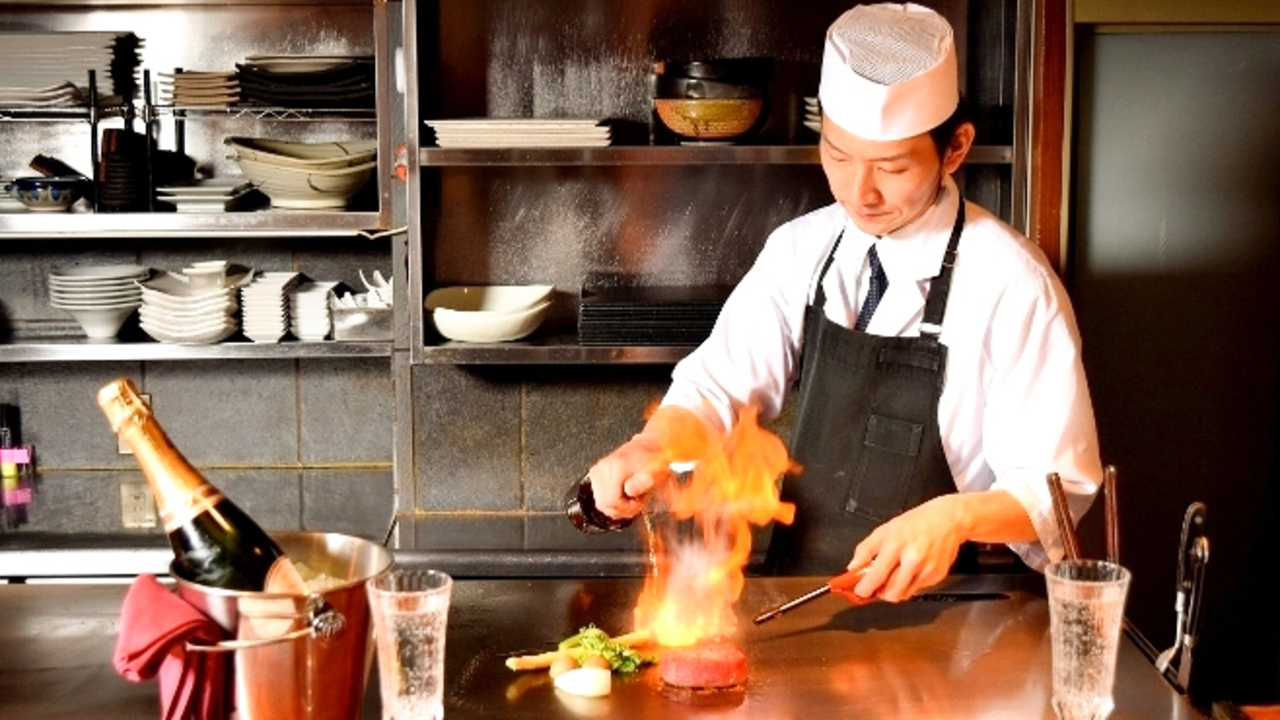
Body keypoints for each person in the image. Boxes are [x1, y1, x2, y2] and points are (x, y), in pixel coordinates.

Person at [583, 2, 1102, 601]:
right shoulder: (803, 248)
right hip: (814, 593)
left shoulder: (1013, 283)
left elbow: (1057, 488)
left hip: (963, 607)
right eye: (838, 155)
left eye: (892, 166)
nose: (860, 192)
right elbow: (717, 387)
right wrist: (650, 446)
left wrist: (953, 518)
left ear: (955, 149)